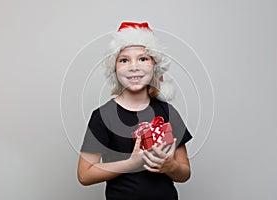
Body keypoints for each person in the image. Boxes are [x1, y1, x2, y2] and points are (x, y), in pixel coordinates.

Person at [77, 22, 193, 200]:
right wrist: (131, 163)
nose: (134, 66)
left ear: (155, 67)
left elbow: (184, 173)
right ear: (114, 69)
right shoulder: (103, 116)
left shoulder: (167, 112)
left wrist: (170, 167)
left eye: (143, 59)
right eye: (124, 60)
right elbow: (85, 175)